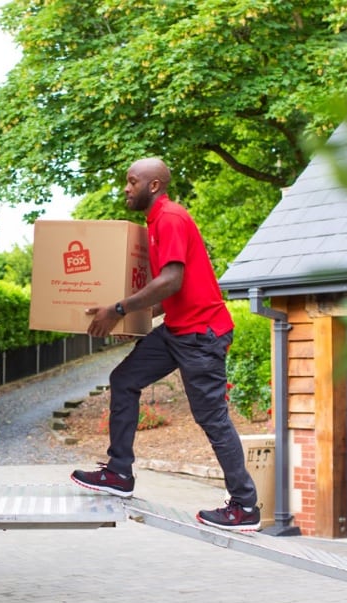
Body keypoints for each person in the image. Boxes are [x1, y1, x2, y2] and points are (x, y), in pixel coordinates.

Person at [71, 157, 261, 532]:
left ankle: (245, 506)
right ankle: (119, 473)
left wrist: (119, 307)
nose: (126, 188)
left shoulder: (171, 218)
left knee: (212, 418)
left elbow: (171, 280)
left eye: (131, 181)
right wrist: (134, 320)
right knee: (124, 379)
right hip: (178, 330)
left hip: (201, 335)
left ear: (153, 185)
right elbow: (171, 293)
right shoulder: (154, 222)